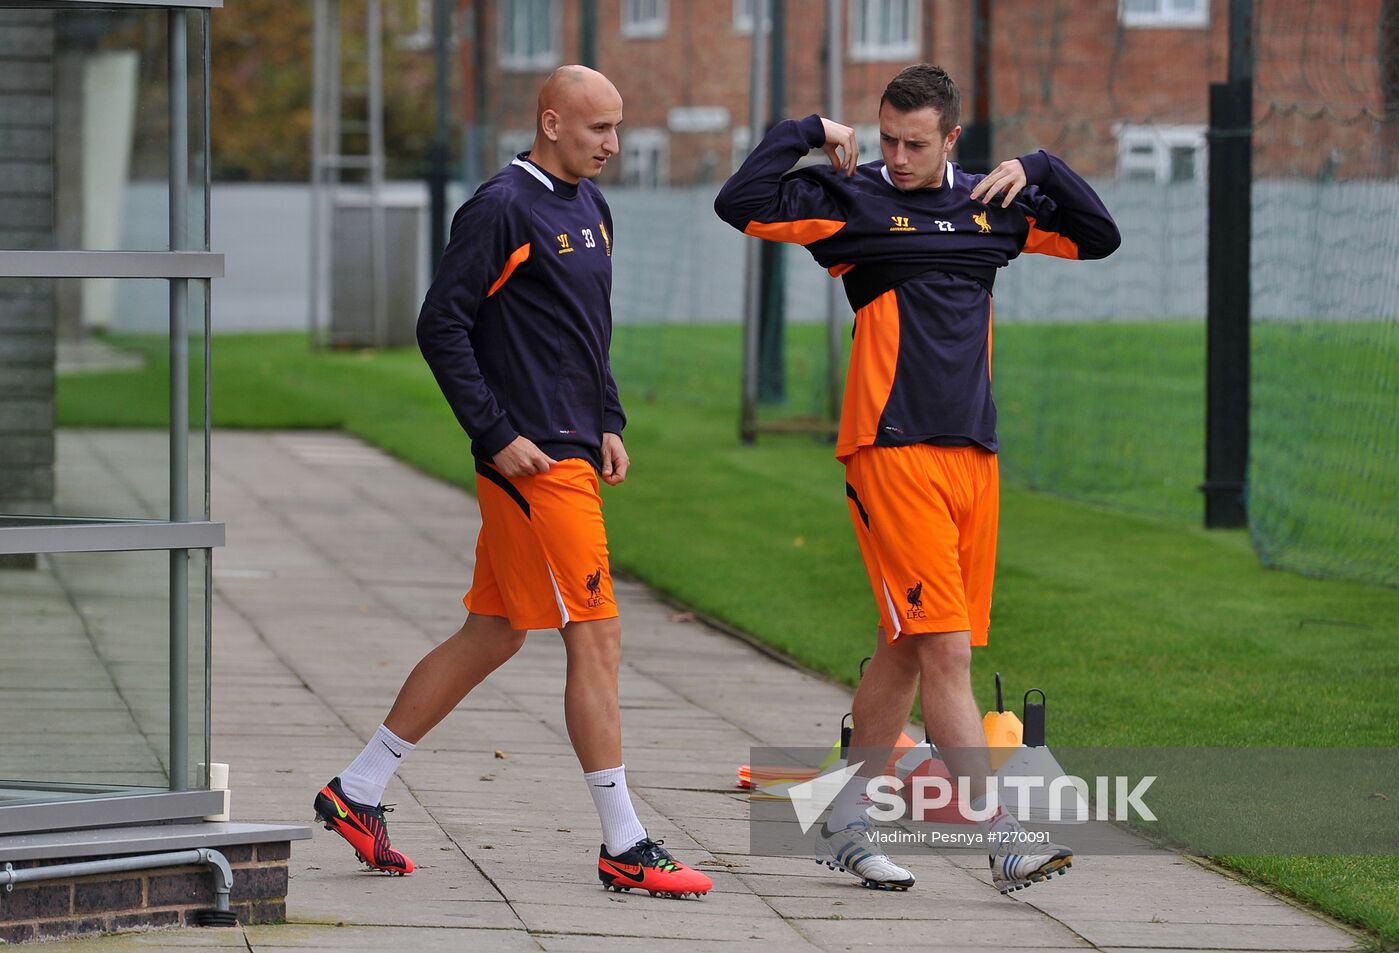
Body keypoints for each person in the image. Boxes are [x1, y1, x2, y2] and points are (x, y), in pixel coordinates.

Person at [715, 63, 1120, 894]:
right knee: (944, 653)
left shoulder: (993, 205)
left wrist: (1040, 166)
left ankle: (844, 813)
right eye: (888, 139)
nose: (896, 157)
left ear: (951, 140)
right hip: (889, 451)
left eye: (915, 143)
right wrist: (807, 132)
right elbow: (741, 202)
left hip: (973, 453)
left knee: (903, 646)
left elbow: (1099, 234)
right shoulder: (849, 199)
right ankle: (1006, 839)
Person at [313, 65, 712, 900]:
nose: (612, 144)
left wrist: (609, 417)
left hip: (572, 449)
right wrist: (496, 435)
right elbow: (441, 323)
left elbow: (584, 332)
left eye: (617, 127)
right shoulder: (502, 206)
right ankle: (625, 843)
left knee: (493, 631)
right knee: (597, 637)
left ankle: (357, 788)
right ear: (552, 120)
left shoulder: (592, 209)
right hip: (535, 467)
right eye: (599, 129)